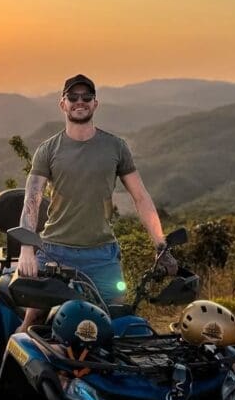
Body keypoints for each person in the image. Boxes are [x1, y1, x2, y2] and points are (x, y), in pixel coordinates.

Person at [17, 74, 177, 331]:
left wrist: (161, 245)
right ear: (63, 104)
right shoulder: (48, 150)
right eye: (73, 97)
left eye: (86, 97)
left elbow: (141, 197)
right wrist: (27, 248)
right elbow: (32, 200)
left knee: (115, 325)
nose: (80, 101)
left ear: (95, 103)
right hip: (55, 251)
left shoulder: (116, 147)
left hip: (102, 256)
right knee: (32, 322)